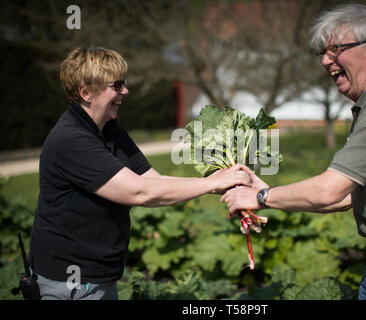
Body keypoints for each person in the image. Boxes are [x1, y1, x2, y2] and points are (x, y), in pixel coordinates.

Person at [221, 4, 366, 300]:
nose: (326, 61)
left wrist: (261, 198)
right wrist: (270, 192)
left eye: (336, 49)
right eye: (323, 53)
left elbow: (330, 190)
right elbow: (344, 198)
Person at [28, 47, 254, 300]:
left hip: (99, 274)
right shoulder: (71, 140)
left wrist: (216, 183)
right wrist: (213, 182)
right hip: (69, 280)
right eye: (116, 85)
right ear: (86, 92)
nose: (125, 91)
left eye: (124, 83)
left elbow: (151, 179)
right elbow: (139, 192)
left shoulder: (109, 129)